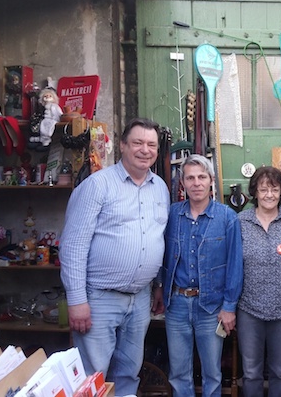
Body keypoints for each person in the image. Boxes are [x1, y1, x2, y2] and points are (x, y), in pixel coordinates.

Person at [59, 117, 169, 395]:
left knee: (129, 372)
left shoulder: (161, 188)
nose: (145, 150)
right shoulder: (97, 186)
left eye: (151, 145)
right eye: (138, 143)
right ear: (122, 146)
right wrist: (76, 300)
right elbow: (73, 246)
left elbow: (157, 239)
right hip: (99, 299)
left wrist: (156, 285)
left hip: (140, 298)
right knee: (92, 374)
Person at [159, 154, 243, 397]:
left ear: (211, 181)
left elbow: (235, 266)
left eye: (201, 177)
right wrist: (158, 288)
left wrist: (229, 307)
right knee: (178, 374)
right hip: (176, 305)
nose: (196, 183)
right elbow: (160, 255)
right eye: (190, 178)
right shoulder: (172, 215)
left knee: (212, 375)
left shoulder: (227, 218)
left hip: (211, 307)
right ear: (183, 183)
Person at [236, 166, 281, 397]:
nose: (269, 194)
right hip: (249, 309)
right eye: (264, 189)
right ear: (255, 193)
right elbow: (231, 268)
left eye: (275, 189)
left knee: (280, 370)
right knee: (250, 372)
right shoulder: (240, 221)